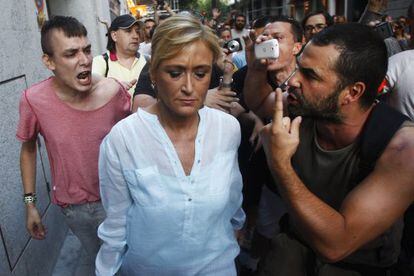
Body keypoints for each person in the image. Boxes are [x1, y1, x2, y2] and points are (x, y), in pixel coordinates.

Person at [258, 23, 414, 275]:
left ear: (352, 92)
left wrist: (279, 164)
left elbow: (337, 244)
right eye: (298, 67)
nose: (293, 80)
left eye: (310, 75)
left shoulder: (403, 148)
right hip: (290, 255)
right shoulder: (304, 105)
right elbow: (257, 103)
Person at [95, 15, 245, 275]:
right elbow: (116, 224)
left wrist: (237, 227)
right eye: (175, 73)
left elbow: (233, 200)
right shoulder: (123, 139)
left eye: (200, 73)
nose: (189, 87)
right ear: (153, 74)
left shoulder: (227, 129)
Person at [16, 16, 130, 273]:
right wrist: (30, 203)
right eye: (71, 53)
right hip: (76, 211)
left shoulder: (113, 92)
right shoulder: (33, 100)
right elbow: (28, 149)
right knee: (102, 265)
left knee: (132, 264)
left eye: (87, 50)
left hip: (121, 201)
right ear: (49, 61)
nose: (85, 60)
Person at [92, 14, 146, 100]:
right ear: (114, 36)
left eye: (137, 31)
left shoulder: (147, 61)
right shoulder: (101, 62)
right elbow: (91, 84)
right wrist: (113, 85)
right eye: (128, 31)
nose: (135, 36)